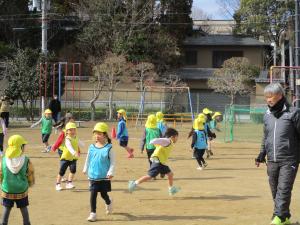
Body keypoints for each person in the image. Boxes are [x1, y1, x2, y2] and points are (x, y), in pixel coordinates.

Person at [255, 83, 300, 225]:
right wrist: (261, 154)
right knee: (275, 189)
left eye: (271, 96)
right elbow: (266, 136)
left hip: (289, 159)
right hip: (272, 159)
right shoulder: (267, 115)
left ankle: (278, 217)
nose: (268, 99)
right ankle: (285, 216)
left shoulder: (294, 113)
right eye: (266, 97)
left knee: (284, 189)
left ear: (280, 95)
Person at [128, 128, 181, 196]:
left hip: (161, 162)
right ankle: (134, 183)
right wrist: (153, 142)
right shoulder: (167, 141)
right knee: (150, 176)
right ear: (172, 137)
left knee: (170, 174)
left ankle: (171, 190)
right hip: (158, 161)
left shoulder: (168, 142)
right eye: (177, 137)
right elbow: (154, 140)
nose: (177, 139)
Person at [83, 122, 115, 222]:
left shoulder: (109, 148)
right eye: (95, 133)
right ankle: (93, 213)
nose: (97, 136)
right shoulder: (91, 147)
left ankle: (109, 202)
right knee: (93, 194)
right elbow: (88, 159)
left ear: (105, 135)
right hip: (93, 175)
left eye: (99, 134)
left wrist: (111, 172)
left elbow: (113, 162)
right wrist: (85, 168)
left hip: (104, 176)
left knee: (103, 194)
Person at [0, 135, 35, 225]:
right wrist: (30, 183)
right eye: (23, 146)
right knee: (24, 208)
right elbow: (30, 173)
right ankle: (27, 223)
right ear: (20, 147)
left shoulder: (4, 160)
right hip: (21, 190)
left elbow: (0, 173)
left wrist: (1, 182)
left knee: (6, 209)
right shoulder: (26, 160)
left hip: (7, 190)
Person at [55, 122, 83, 191]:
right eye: (70, 130)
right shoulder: (67, 139)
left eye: (74, 129)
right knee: (62, 171)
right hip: (65, 158)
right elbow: (69, 147)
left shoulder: (76, 137)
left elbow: (80, 143)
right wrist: (74, 153)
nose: (72, 131)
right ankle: (58, 184)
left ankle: (69, 183)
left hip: (73, 158)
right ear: (67, 131)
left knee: (73, 170)